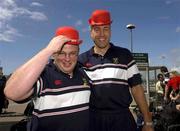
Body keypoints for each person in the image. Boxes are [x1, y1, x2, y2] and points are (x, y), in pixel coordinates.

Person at [78, 9, 153, 131]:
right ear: (90, 32)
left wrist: (148, 120)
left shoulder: (125, 55)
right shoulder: (81, 60)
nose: (102, 34)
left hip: (122, 120)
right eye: (97, 29)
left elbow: (136, 87)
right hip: (93, 120)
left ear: (111, 31)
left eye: (106, 29)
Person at [4, 26, 90, 131]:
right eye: (62, 53)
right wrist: (48, 49)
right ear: (53, 54)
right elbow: (12, 92)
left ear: (77, 54)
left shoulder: (83, 74)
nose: (67, 59)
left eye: (72, 53)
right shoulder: (43, 75)